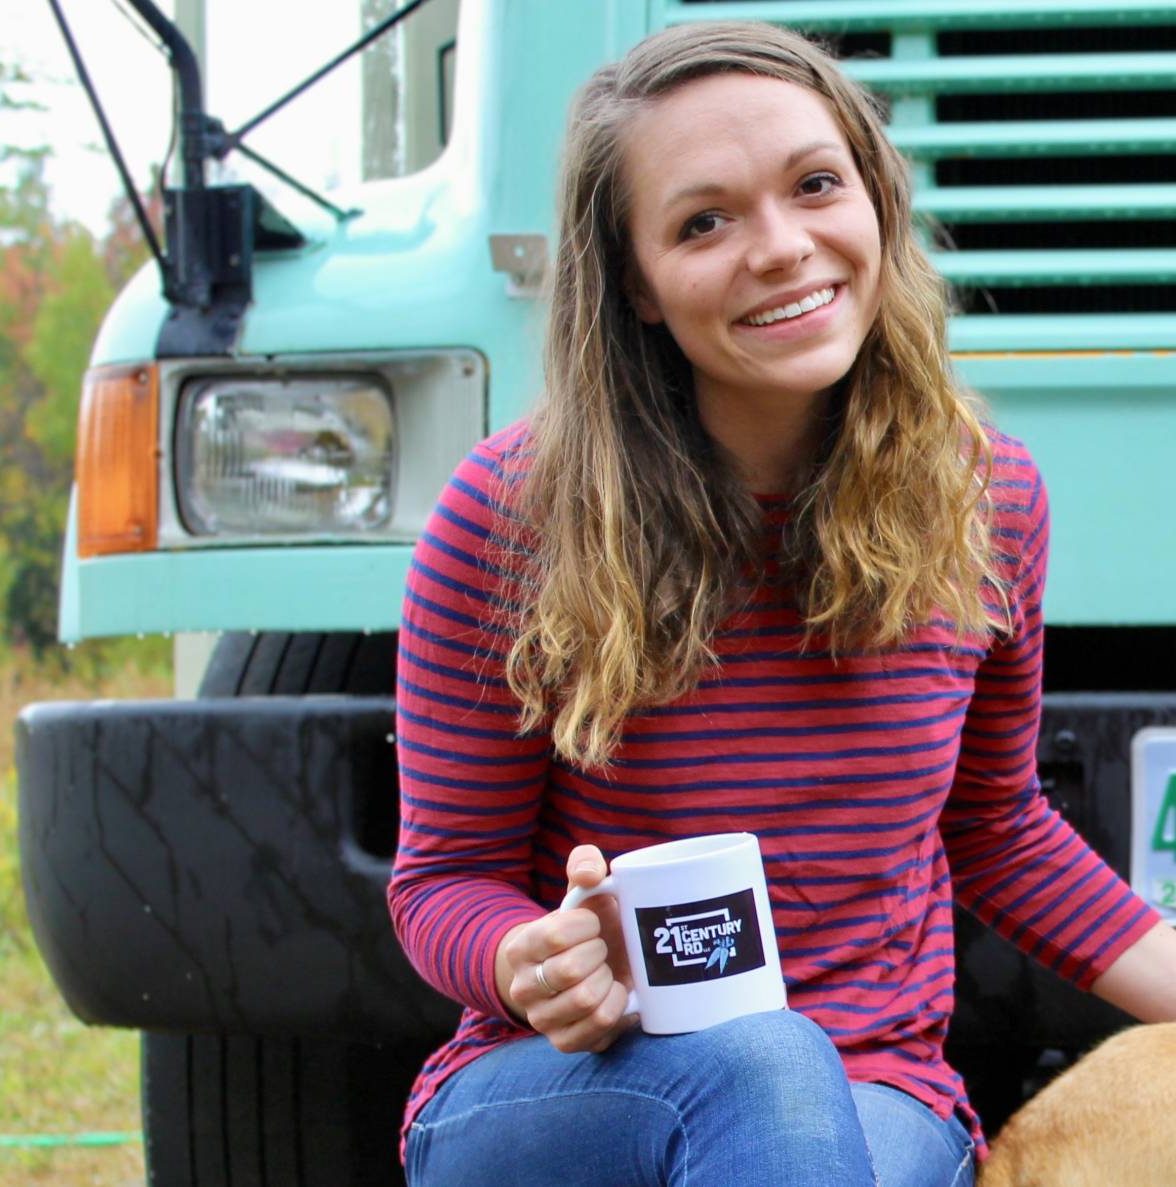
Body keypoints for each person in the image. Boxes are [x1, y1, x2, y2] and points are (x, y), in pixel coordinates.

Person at [388, 20, 1176, 1187]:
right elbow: (442, 877)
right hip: (566, 1086)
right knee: (764, 1060)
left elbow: (994, 826)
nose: (782, 246)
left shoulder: (988, 499)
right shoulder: (510, 517)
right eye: (703, 222)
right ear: (637, 284)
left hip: (877, 1089)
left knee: (798, 1090)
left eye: (815, 185)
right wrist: (524, 957)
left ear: (876, 201)